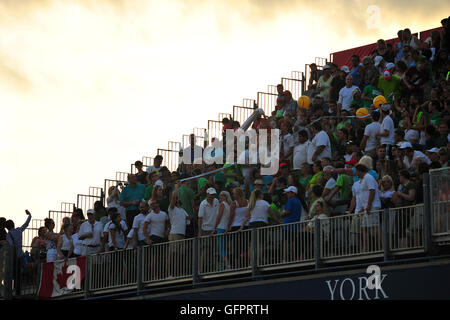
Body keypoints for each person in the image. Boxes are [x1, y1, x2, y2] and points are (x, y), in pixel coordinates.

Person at [355, 164, 382, 252]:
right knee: (364, 227)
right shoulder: (363, 179)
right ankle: (366, 248)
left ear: (359, 171)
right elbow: (365, 194)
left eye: (356, 171)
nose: (356, 173)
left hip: (372, 207)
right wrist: (364, 207)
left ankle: (380, 247)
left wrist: (369, 205)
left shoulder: (368, 177)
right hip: (367, 207)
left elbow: (372, 191)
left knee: (375, 227)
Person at [280, 186, 303, 262]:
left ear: (293, 193)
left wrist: (281, 213)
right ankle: (293, 258)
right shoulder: (298, 201)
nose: (287, 194)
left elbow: (288, 211)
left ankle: (284, 259)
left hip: (288, 225)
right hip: (295, 226)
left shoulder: (290, 200)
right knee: (293, 242)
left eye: (288, 192)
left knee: (285, 242)